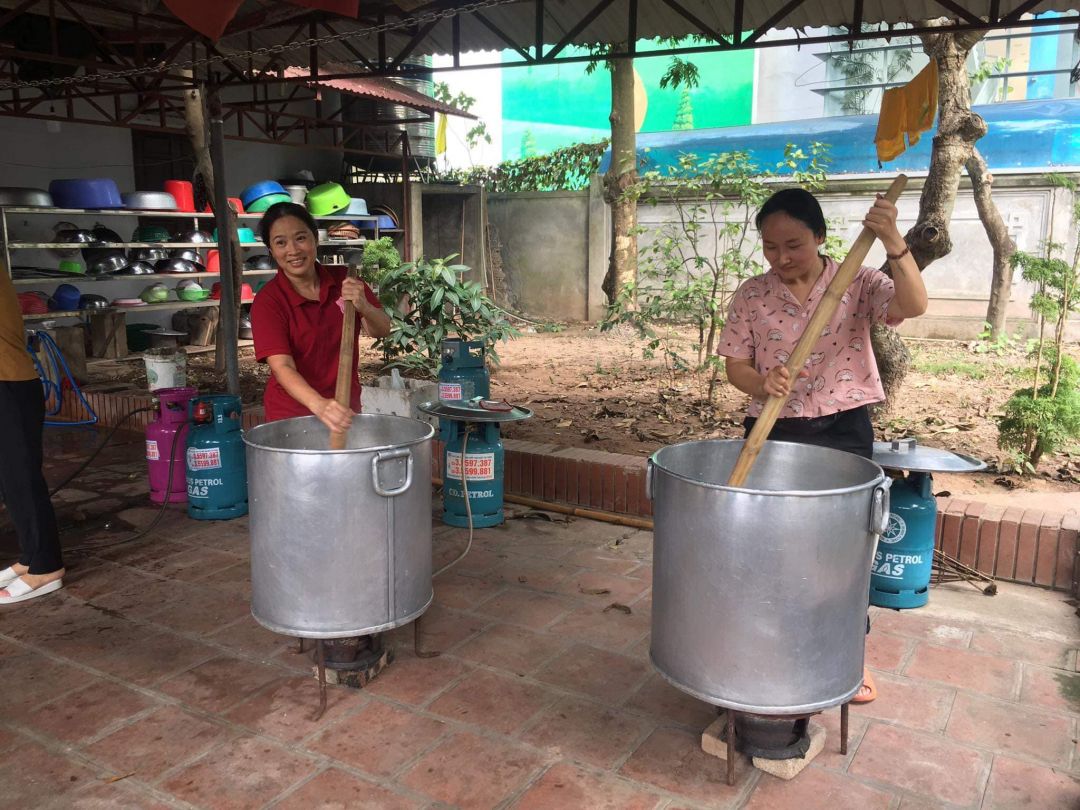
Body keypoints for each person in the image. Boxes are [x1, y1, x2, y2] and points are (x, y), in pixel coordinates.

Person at [718, 187, 928, 703]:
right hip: (775, 431)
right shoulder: (752, 294)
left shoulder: (858, 280)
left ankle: (845, 655)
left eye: (794, 244)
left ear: (820, 236)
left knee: (844, 550)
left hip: (843, 429)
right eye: (771, 247)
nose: (782, 257)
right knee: (773, 544)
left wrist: (893, 239)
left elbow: (913, 305)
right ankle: (771, 643)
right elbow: (736, 365)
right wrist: (761, 382)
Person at [250, 202, 392, 431]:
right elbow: (282, 366)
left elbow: (382, 329)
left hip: (345, 410)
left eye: (300, 238)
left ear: (315, 239)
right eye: (280, 243)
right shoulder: (269, 301)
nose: (293, 250)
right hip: (292, 418)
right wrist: (321, 406)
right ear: (271, 251)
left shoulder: (345, 281)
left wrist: (364, 306)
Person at [0, 262, 64, 604]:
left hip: (8, 383)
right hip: (9, 384)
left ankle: (46, 566)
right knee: (10, 480)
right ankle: (30, 556)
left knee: (21, 479)